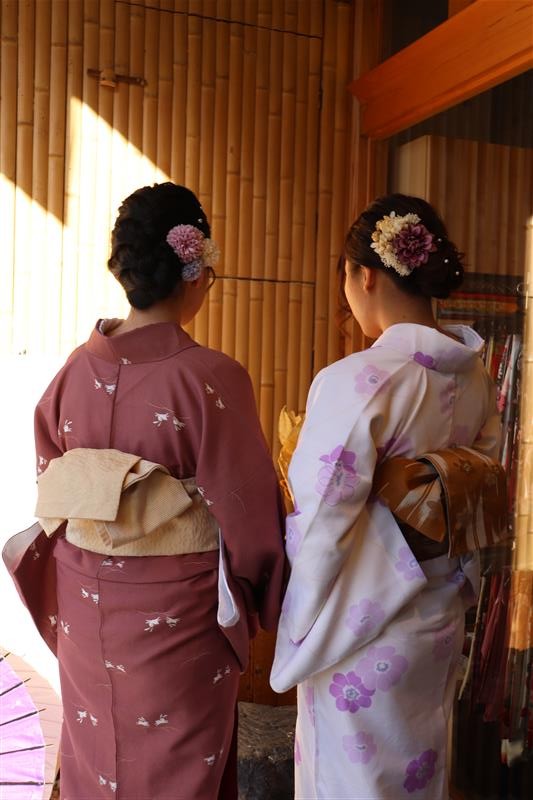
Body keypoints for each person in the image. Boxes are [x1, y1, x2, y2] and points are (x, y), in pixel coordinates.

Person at [23, 183, 287, 799]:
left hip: (86, 610)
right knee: (177, 775)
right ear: (193, 272)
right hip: (178, 620)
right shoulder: (212, 378)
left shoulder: (74, 371)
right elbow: (250, 518)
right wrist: (267, 596)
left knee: (96, 765)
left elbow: (52, 484)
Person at [270, 194, 501, 799]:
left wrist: (297, 624)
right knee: (418, 775)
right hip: (437, 614)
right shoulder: (474, 377)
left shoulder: (359, 381)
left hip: (364, 625)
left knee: (351, 783)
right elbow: (478, 487)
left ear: (364, 274)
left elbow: (323, 519)